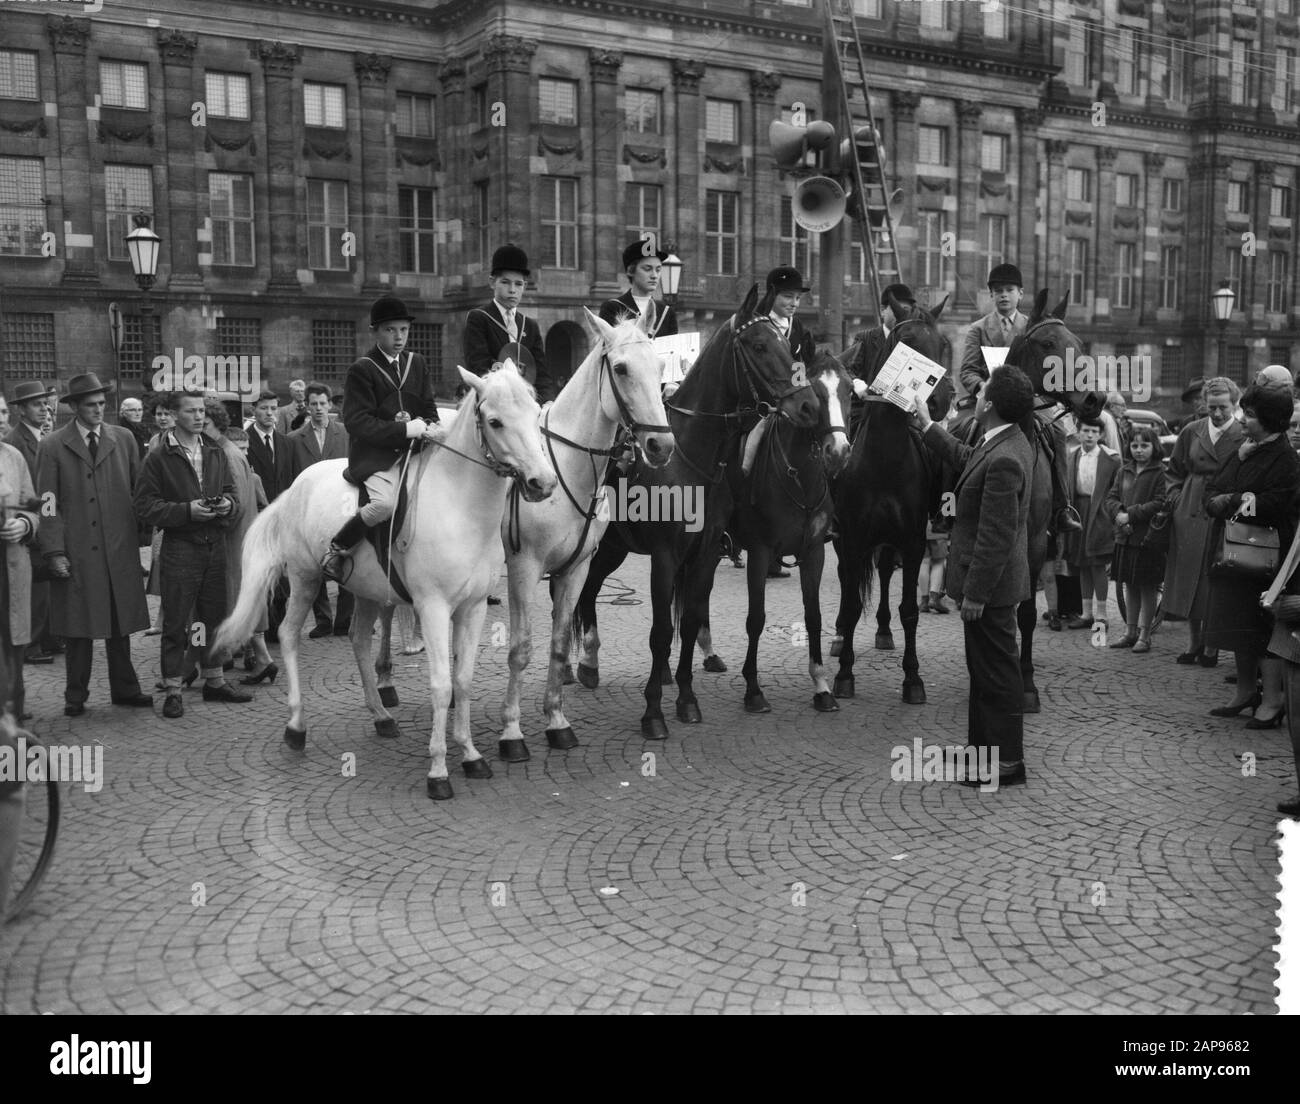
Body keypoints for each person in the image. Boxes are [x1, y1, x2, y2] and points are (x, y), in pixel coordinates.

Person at [914, 364, 1037, 788]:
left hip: (992, 589)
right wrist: (929, 426)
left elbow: (995, 537)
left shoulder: (1004, 457)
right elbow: (968, 460)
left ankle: (1005, 764)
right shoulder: (1004, 441)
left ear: (990, 404)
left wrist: (976, 594)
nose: (976, 392)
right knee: (984, 670)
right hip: (996, 585)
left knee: (997, 674)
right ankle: (982, 751)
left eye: (982, 389)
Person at [34, 373, 154, 716]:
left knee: (120, 624)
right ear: (74, 407)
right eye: (90, 405)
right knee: (78, 627)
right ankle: (76, 696)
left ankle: (126, 690)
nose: (98, 410)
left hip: (118, 548)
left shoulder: (125, 439)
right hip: (77, 551)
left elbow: (140, 488)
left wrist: (149, 526)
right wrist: (54, 550)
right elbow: (47, 502)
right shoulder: (53, 445)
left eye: (102, 403)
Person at [134, 390, 251, 719]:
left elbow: (231, 493)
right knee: (176, 622)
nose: (199, 417)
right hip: (180, 547)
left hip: (214, 545)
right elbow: (144, 507)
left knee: (213, 618)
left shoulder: (215, 450)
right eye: (191, 411)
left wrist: (228, 505)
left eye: (201, 411)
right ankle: (173, 689)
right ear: (173, 414)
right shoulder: (158, 457)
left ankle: (214, 680)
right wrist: (186, 511)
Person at [1203, 382, 1300, 727]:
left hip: (1264, 558)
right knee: (1238, 625)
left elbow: (1274, 505)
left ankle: (1272, 701)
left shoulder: (1286, 459)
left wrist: (1231, 501)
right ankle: (1246, 692)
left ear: (1271, 421)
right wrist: (1231, 480)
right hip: (1234, 553)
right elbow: (1212, 489)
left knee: (1261, 630)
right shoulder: (1248, 449)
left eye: (1251, 415)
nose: (1243, 419)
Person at [1163, 377, 1245, 666]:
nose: (1218, 414)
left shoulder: (1242, 434)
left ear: (1234, 405)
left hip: (1223, 510)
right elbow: (1173, 471)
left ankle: (1212, 646)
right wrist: (1175, 499)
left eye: (1223, 407)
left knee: (1215, 579)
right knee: (1189, 578)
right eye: (1212, 407)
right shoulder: (1192, 431)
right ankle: (1193, 641)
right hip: (1190, 507)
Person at [292, 382, 354, 637]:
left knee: (348, 558)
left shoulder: (345, 434)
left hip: (341, 506)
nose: (318, 408)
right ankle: (323, 620)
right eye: (314, 404)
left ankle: (346, 619)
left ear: (330, 405)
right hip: (310, 511)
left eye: (323, 403)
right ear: (307, 406)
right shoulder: (294, 440)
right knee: (312, 563)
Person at [3, 381, 58, 666]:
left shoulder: (42, 436)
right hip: (27, 520)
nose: (44, 408)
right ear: (22, 410)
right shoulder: (14, 442)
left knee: (47, 581)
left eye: (45, 403)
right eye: (37, 404)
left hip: (43, 516)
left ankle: (47, 636)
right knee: (35, 585)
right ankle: (32, 643)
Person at [1104, 425, 1169, 653]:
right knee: (1130, 586)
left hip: (1147, 540)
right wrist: (1119, 515)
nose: (1139, 450)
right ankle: (1130, 631)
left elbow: (1161, 502)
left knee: (1147, 587)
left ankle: (1145, 634)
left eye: (1144, 445)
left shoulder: (1160, 472)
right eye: (1134, 445)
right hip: (1125, 538)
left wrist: (1130, 514)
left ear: (1154, 446)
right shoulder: (1124, 471)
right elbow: (1111, 497)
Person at [464, 243, 556, 402]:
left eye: (518, 284)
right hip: (491, 401)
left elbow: (541, 373)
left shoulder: (530, 325)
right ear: (492, 282)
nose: (512, 290)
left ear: (525, 286)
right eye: (505, 282)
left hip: (525, 403)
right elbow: (478, 365)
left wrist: (548, 402)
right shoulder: (479, 317)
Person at [222, 427, 276, 685]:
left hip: (245, 547)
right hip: (233, 548)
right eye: (237, 450)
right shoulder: (225, 474)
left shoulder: (252, 478)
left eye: (245, 450)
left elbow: (264, 508)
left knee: (247, 600)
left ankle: (256, 655)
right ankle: (230, 652)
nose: (242, 455)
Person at [246, 389, 297, 643]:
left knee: (283, 574)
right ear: (253, 410)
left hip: (283, 516)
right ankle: (261, 627)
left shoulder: (286, 442)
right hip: (256, 518)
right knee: (260, 572)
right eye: (264, 408)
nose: (270, 413)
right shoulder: (244, 441)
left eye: (274, 408)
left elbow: (292, 480)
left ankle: (278, 623)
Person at [1060, 417, 1120, 631]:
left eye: (1094, 431)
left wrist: (1112, 515)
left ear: (1101, 435)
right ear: (1078, 433)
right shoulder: (1073, 455)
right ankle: (1086, 613)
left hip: (1100, 512)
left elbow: (1117, 489)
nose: (1089, 435)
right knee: (1082, 563)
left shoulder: (1111, 459)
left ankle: (1102, 614)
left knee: (1096, 564)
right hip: (1079, 510)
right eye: (1086, 430)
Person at [0, 439, 39, 721]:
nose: (1, 419)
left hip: (11, 566)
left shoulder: (12, 456)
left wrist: (24, 523)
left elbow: (34, 507)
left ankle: (13, 707)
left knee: (14, 638)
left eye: (2, 412)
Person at [599, 240, 679, 338]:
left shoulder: (666, 312)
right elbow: (607, 348)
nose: (654, 276)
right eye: (647, 269)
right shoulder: (612, 308)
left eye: (658, 270)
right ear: (631, 271)